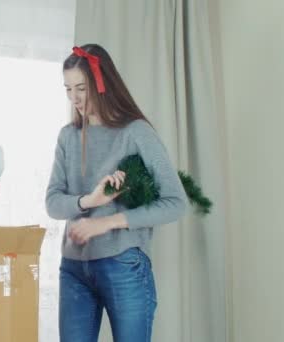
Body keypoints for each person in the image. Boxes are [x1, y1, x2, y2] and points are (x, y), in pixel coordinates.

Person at [45, 44, 187, 342]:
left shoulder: (135, 132)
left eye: (81, 88)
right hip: (73, 268)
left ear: (101, 82)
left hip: (123, 263)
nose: (74, 98)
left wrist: (107, 221)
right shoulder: (68, 136)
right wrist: (90, 201)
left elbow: (175, 202)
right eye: (68, 89)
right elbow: (53, 203)